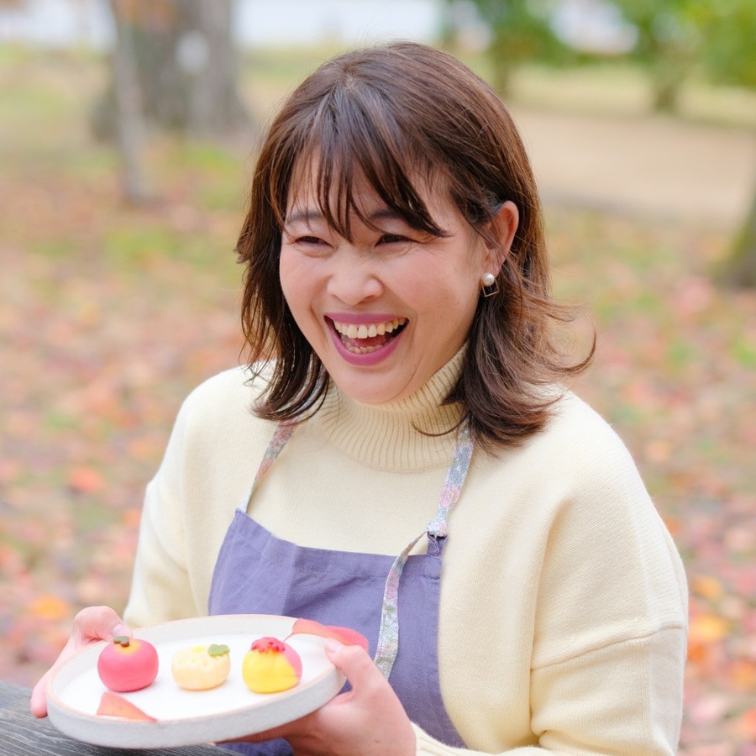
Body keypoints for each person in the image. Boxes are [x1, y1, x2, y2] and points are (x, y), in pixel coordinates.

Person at [31, 42, 688, 756]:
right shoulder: (219, 427)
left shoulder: (573, 483)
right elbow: (169, 677)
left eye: (392, 238)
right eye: (312, 238)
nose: (349, 288)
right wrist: (110, 679)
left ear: (494, 242)